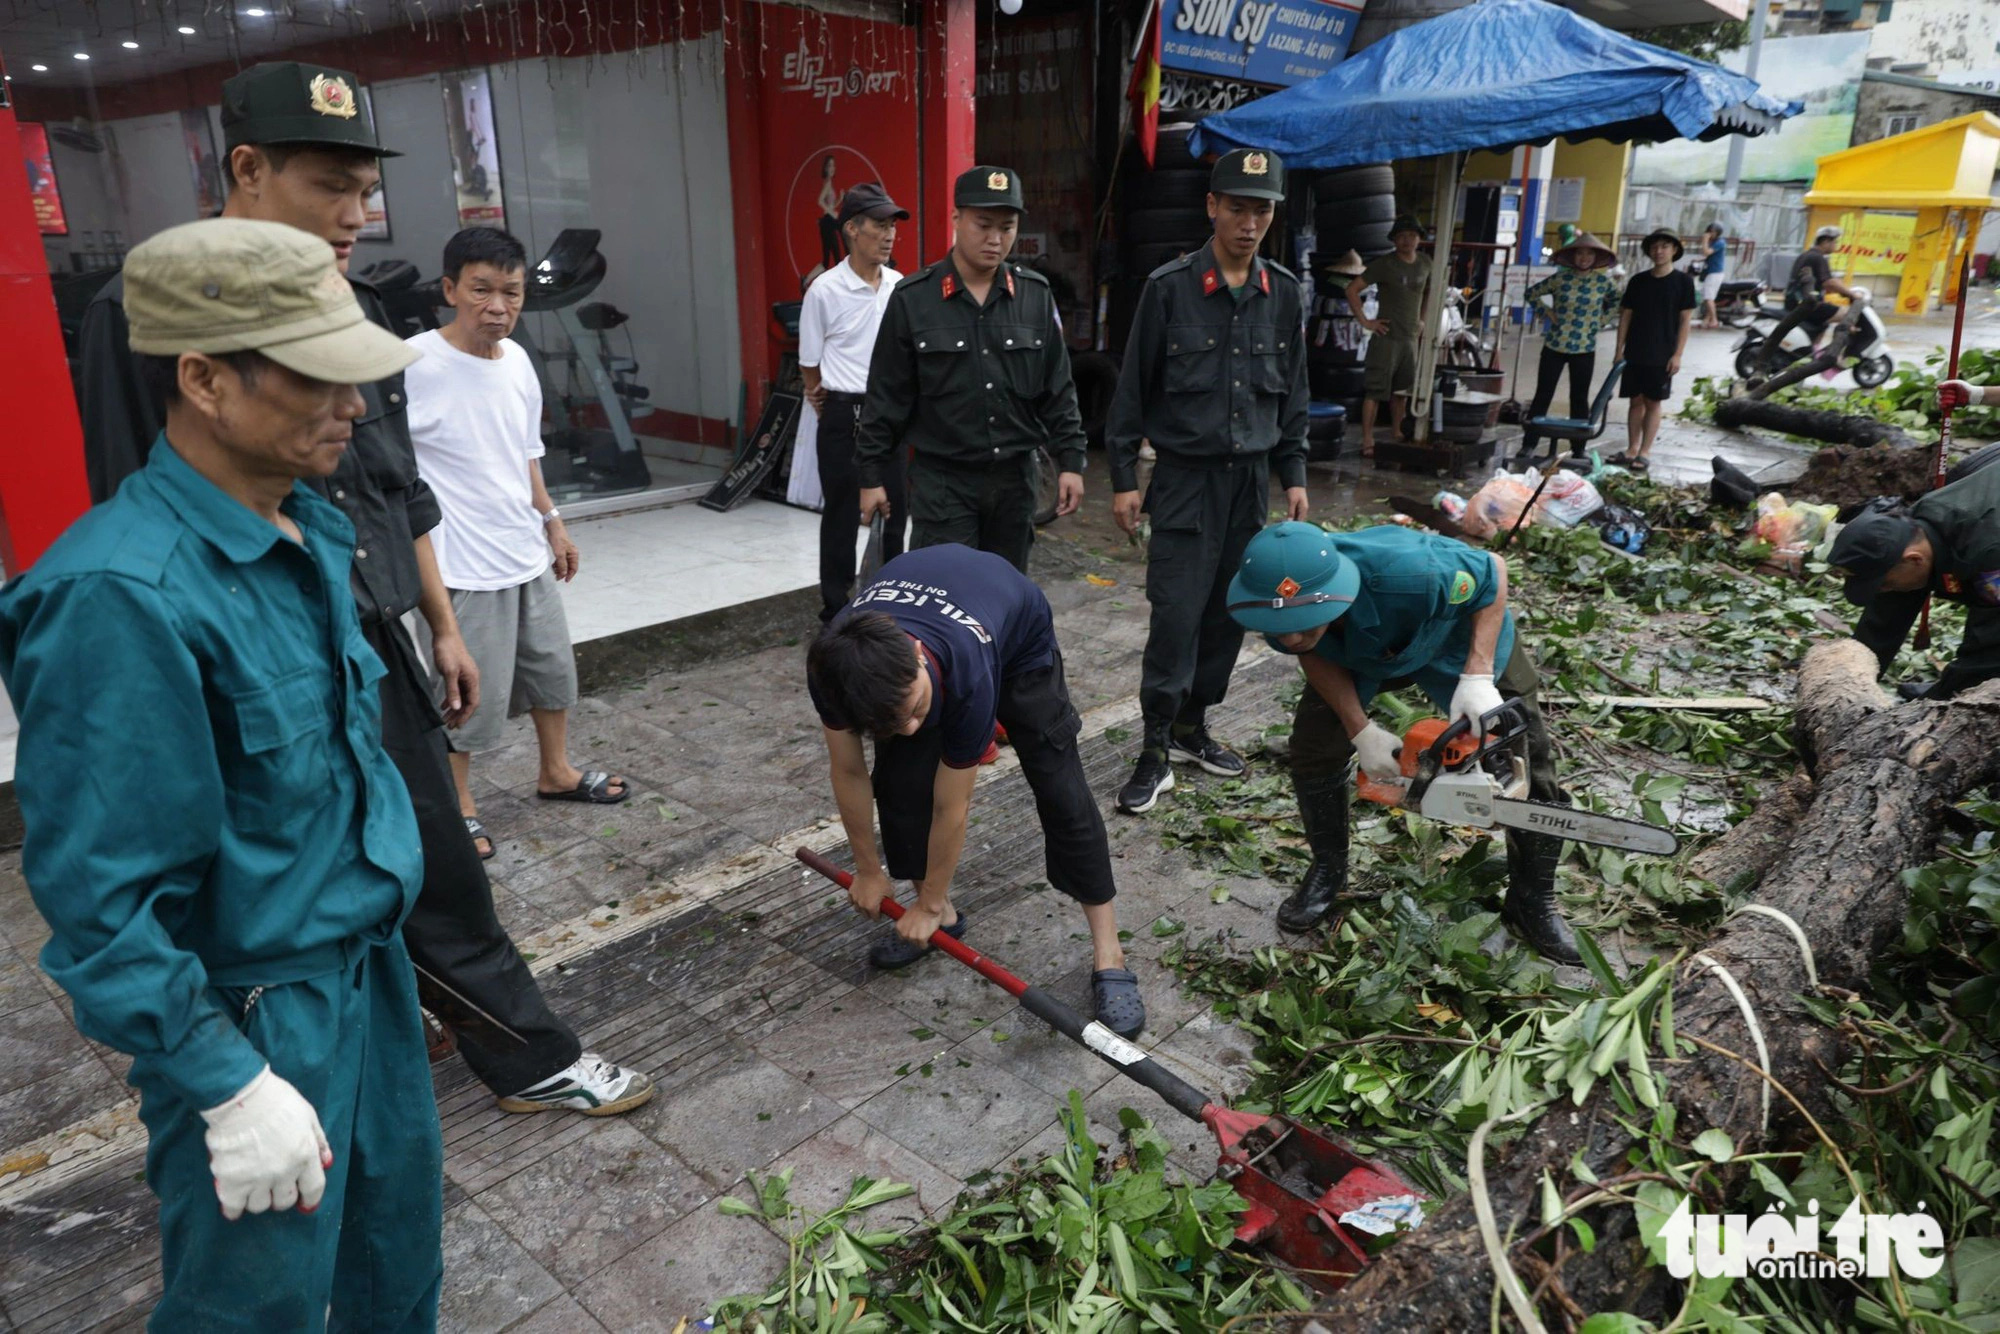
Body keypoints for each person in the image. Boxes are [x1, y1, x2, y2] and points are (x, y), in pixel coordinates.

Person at [73, 61, 651, 1118]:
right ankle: (307, 1079)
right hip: (253, 652)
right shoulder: (145, 309)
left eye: (362, 190)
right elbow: (133, 508)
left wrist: (438, 624)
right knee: (300, 880)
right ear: (246, 169)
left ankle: (489, 1044)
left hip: (369, 633)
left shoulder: (356, 305)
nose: (353, 214)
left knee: (423, 850)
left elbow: (395, 485)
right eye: (326, 186)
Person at [0, 218, 443, 1329]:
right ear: (203, 378)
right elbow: (104, 904)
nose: (355, 406)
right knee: (256, 1307)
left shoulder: (305, 530)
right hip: (252, 1016)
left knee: (395, 1269)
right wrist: (226, 1079)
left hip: (369, 974)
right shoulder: (120, 594)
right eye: (322, 379)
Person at [807, 544, 1145, 1036]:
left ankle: (1109, 954)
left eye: (916, 709)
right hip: (936, 619)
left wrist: (917, 906)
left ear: (918, 657)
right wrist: (867, 870)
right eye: (891, 721)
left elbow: (953, 806)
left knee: (1060, 789)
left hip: (1016, 633)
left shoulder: (965, 670)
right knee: (899, 780)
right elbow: (849, 772)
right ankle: (941, 915)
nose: (908, 727)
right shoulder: (833, 668)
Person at [1226, 521, 1581, 962]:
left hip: (1451, 637)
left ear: (1335, 592)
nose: (1290, 637)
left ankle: (1532, 901)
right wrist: (1360, 730)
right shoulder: (1278, 602)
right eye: (1281, 628)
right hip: (1362, 655)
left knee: (1528, 755)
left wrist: (1477, 674)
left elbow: (1493, 570)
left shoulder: (1412, 573)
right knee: (1314, 747)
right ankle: (1328, 869)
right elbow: (1308, 651)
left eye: (1302, 623)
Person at [404, 226, 637, 861]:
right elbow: (392, 471)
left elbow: (526, 452)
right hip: (460, 564)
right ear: (450, 289)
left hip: (522, 550)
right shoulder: (413, 363)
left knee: (552, 671)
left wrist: (552, 521)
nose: (498, 306)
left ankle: (555, 772)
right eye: (481, 290)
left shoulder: (520, 361)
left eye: (511, 292)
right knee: (464, 695)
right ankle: (461, 806)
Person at [1105, 147, 1310, 815]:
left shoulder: (1283, 294)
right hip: (1186, 481)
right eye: (1238, 207)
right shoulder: (1170, 289)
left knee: (1229, 614)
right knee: (1177, 614)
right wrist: (1122, 480)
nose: (1250, 222)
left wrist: (1295, 473)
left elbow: (1295, 395)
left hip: (1250, 483)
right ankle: (1155, 746)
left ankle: (1195, 729)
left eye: (1262, 209)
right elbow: (1131, 390)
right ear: (1212, 207)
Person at [854, 166, 1088, 576]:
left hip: (1015, 481)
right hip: (943, 483)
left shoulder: (1034, 296)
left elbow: (1058, 388)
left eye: (1007, 227)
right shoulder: (914, 300)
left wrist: (1071, 461)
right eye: (983, 225)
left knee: (1004, 598)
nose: (995, 239)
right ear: (957, 219)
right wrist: (871, 477)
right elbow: (885, 397)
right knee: (945, 598)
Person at [800, 182, 910, 621]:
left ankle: (893, 604)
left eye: (892, 227)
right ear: (851, 230)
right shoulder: (825, 290)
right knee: (843, 515)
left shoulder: (900, 287)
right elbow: (810, 364)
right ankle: (837, 609)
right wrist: (824, 401)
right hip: (844, 412)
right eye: (879, 226)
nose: (888, 235)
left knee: (896, 510)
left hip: (892, 413)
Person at [1831, 464, 2000, 701]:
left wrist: (1932, 705)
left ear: (1914, 560)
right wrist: (1851, 685)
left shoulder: (1990, 556)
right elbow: (1884, 619)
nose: (1884, 589)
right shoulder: (1917, 524)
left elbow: (1986, 651)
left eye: (1884, 583)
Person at [1514, 231, 1620, 466]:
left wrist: (1601, 321)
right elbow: (1531, 293)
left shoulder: (1603, 282)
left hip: (1585, 347)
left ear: (1596, 258)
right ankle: (1529, 444)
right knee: (1544, 393)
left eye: (1589, 254)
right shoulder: (1560, 279)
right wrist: (1546, 313)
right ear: (1573, 257)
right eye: (1580, 253)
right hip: (1555, 344)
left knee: (1579, 398)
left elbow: (1618, 301)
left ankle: (1579, 449)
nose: (1584, 258)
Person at [1610, 230, 1696, 473]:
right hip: (1635, 350)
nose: (1659, 251)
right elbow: (1625, 316)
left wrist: (1678, 354)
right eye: (1655, 247)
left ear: (1674, 250)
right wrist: (1619, 349)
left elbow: (1685, 321)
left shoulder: (1683, 282)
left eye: (1665, 247)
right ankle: (1631, 448)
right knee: (1634, 401)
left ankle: (1645, 451)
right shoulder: (1638, 281)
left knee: (1653, 402)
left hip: (1662, 352)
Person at [1349, 215, 1430, 459]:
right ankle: (1367, 439)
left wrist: (1423, 319)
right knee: (1375, 391)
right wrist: (1366, 322)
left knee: (1402, 391)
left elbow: (1430, 292)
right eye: (1402, 236)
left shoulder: (1426, 263)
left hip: (1409, 339)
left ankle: (1397, 432)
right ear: (1394, 240)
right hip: (1386, 337)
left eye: (1412, 236)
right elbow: (1352, 290)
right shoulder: (1385, 264)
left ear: (1419, 239)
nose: (1407, 241)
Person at [1761, 226, 1857, 368]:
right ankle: (1837, 356)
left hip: (1796, 303)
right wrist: (1851, 294)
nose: (1835, 245)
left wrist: (1842, 290)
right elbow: (1829, 282)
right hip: (1807, 305)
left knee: (1824, 322)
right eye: (1834, 242)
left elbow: (1826, 283)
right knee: (1847, 315)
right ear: (1825, 242)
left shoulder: (1807, 255)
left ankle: (1814, 352)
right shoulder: (1817, 258)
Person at [1697, 223, 1727, 329]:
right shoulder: (1713, 242)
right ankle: (1707, 320)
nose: (1710, 234)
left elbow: (1706, 252)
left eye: (1713, 232)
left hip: (1715, 273)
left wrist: (1705, 240)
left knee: (1708, 297)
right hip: (1711, 271)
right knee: (1709, 297)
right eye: (1709, 231)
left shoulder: (1720, 242)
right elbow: (1707, 254)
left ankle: (1714, 320)